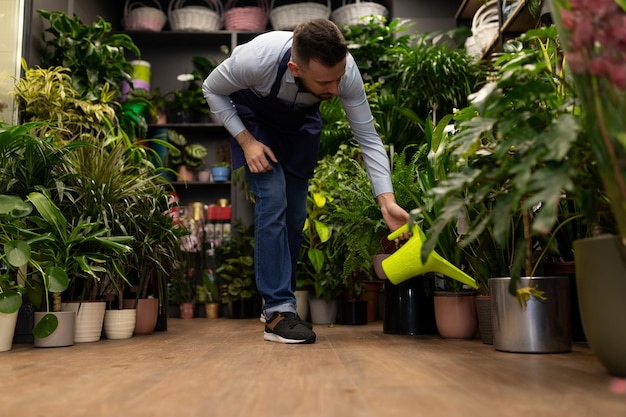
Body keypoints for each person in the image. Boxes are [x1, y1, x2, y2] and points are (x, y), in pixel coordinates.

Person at [203, 18, 409, 344]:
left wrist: (387, 200)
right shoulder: (255, 60)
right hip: (255, 123)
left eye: (338, 79)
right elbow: (211, 88)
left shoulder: (344, 73)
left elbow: (368, 138)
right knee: (273, 198)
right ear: (295, 68)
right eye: (325, 82)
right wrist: (246, 141)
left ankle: (277, 303)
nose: (336, 90)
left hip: (299, 126)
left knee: (296, 215)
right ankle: (278, 311)